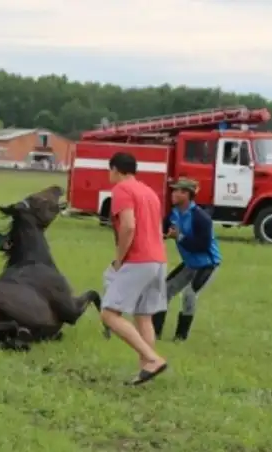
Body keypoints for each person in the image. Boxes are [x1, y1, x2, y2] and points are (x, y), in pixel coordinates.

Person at [99, 152, 168, 385]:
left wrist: (120, 259)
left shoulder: (121, 190)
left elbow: (128, 226)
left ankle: (152, 358)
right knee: (143, 316)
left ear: (116, 169)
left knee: (109, 313)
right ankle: (145, 370)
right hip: (158, 259)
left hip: (139, 259)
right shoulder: (149, 192)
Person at [152, 178, 222, 341]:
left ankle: (180, 337)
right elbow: (161, 231)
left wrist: (180, 237)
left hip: (208, 265)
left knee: (189, 295)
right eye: (174, 190)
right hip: (190, 264)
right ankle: (155, 333)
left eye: (178, 191)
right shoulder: (174, 213)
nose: (173, 194)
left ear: (187, 194)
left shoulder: (201, 218)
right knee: (165, 290)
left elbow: (202, 245)